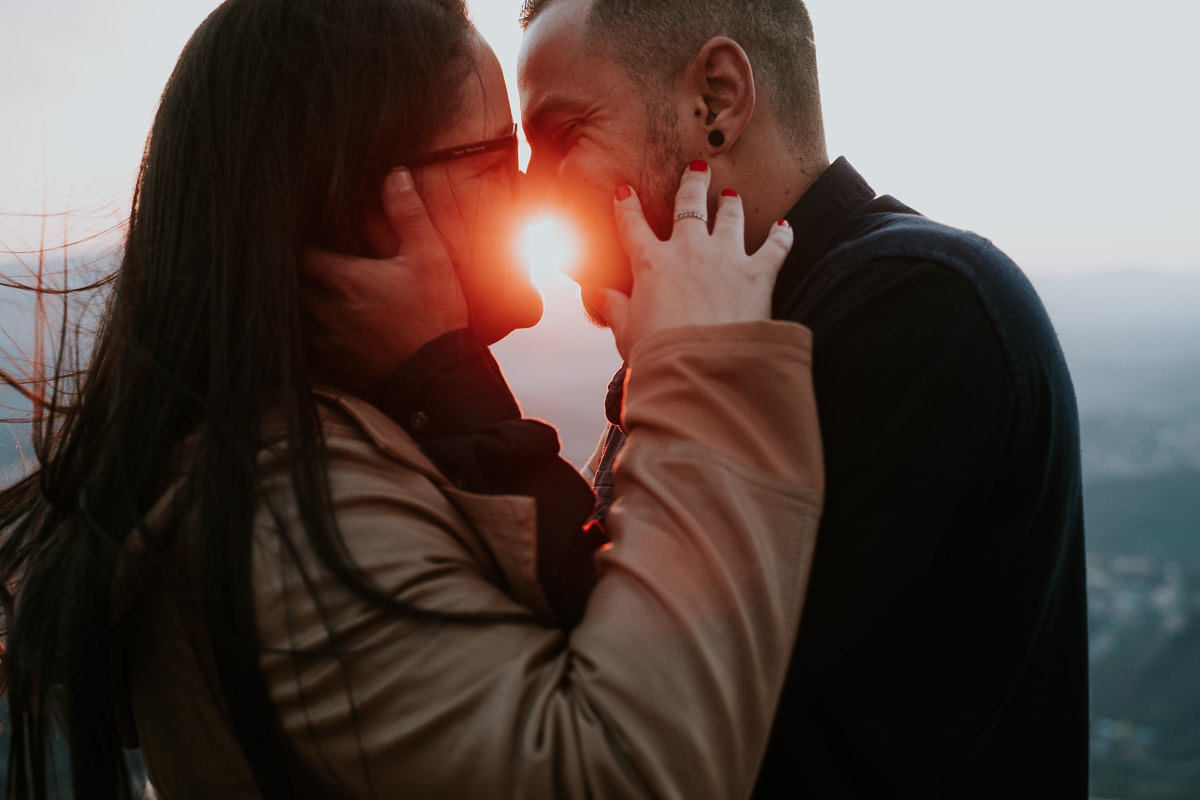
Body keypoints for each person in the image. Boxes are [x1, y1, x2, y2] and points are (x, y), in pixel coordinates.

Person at [0, 1, 824, 798]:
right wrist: (706, 368)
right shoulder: (290, 520)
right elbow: (622, 768)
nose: (535, 197)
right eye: (497, 161)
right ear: (366, 200)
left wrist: (442, 377)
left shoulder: (349, 445)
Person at [512, 1, 1089, 798]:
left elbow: (617, 697)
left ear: (715, 100)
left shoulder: (914, 308)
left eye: (561, 135)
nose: (527, 195)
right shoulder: (718, 331)